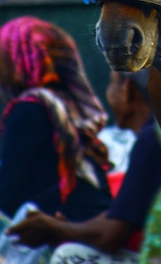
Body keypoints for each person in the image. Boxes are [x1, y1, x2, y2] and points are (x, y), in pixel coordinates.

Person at [7, 69, 161, 264]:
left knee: (68, 256)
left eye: (112, 83)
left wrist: (55, 228)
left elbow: (111, 235)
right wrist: (62, 228)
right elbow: (118, 216)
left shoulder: (153, 140)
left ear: (128, 90)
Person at [0, 16, 112, 223]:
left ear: (17, 60)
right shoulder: (72, 105)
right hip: (92, 224)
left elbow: (8, 192)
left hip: (61, 231)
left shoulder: (30, 110)